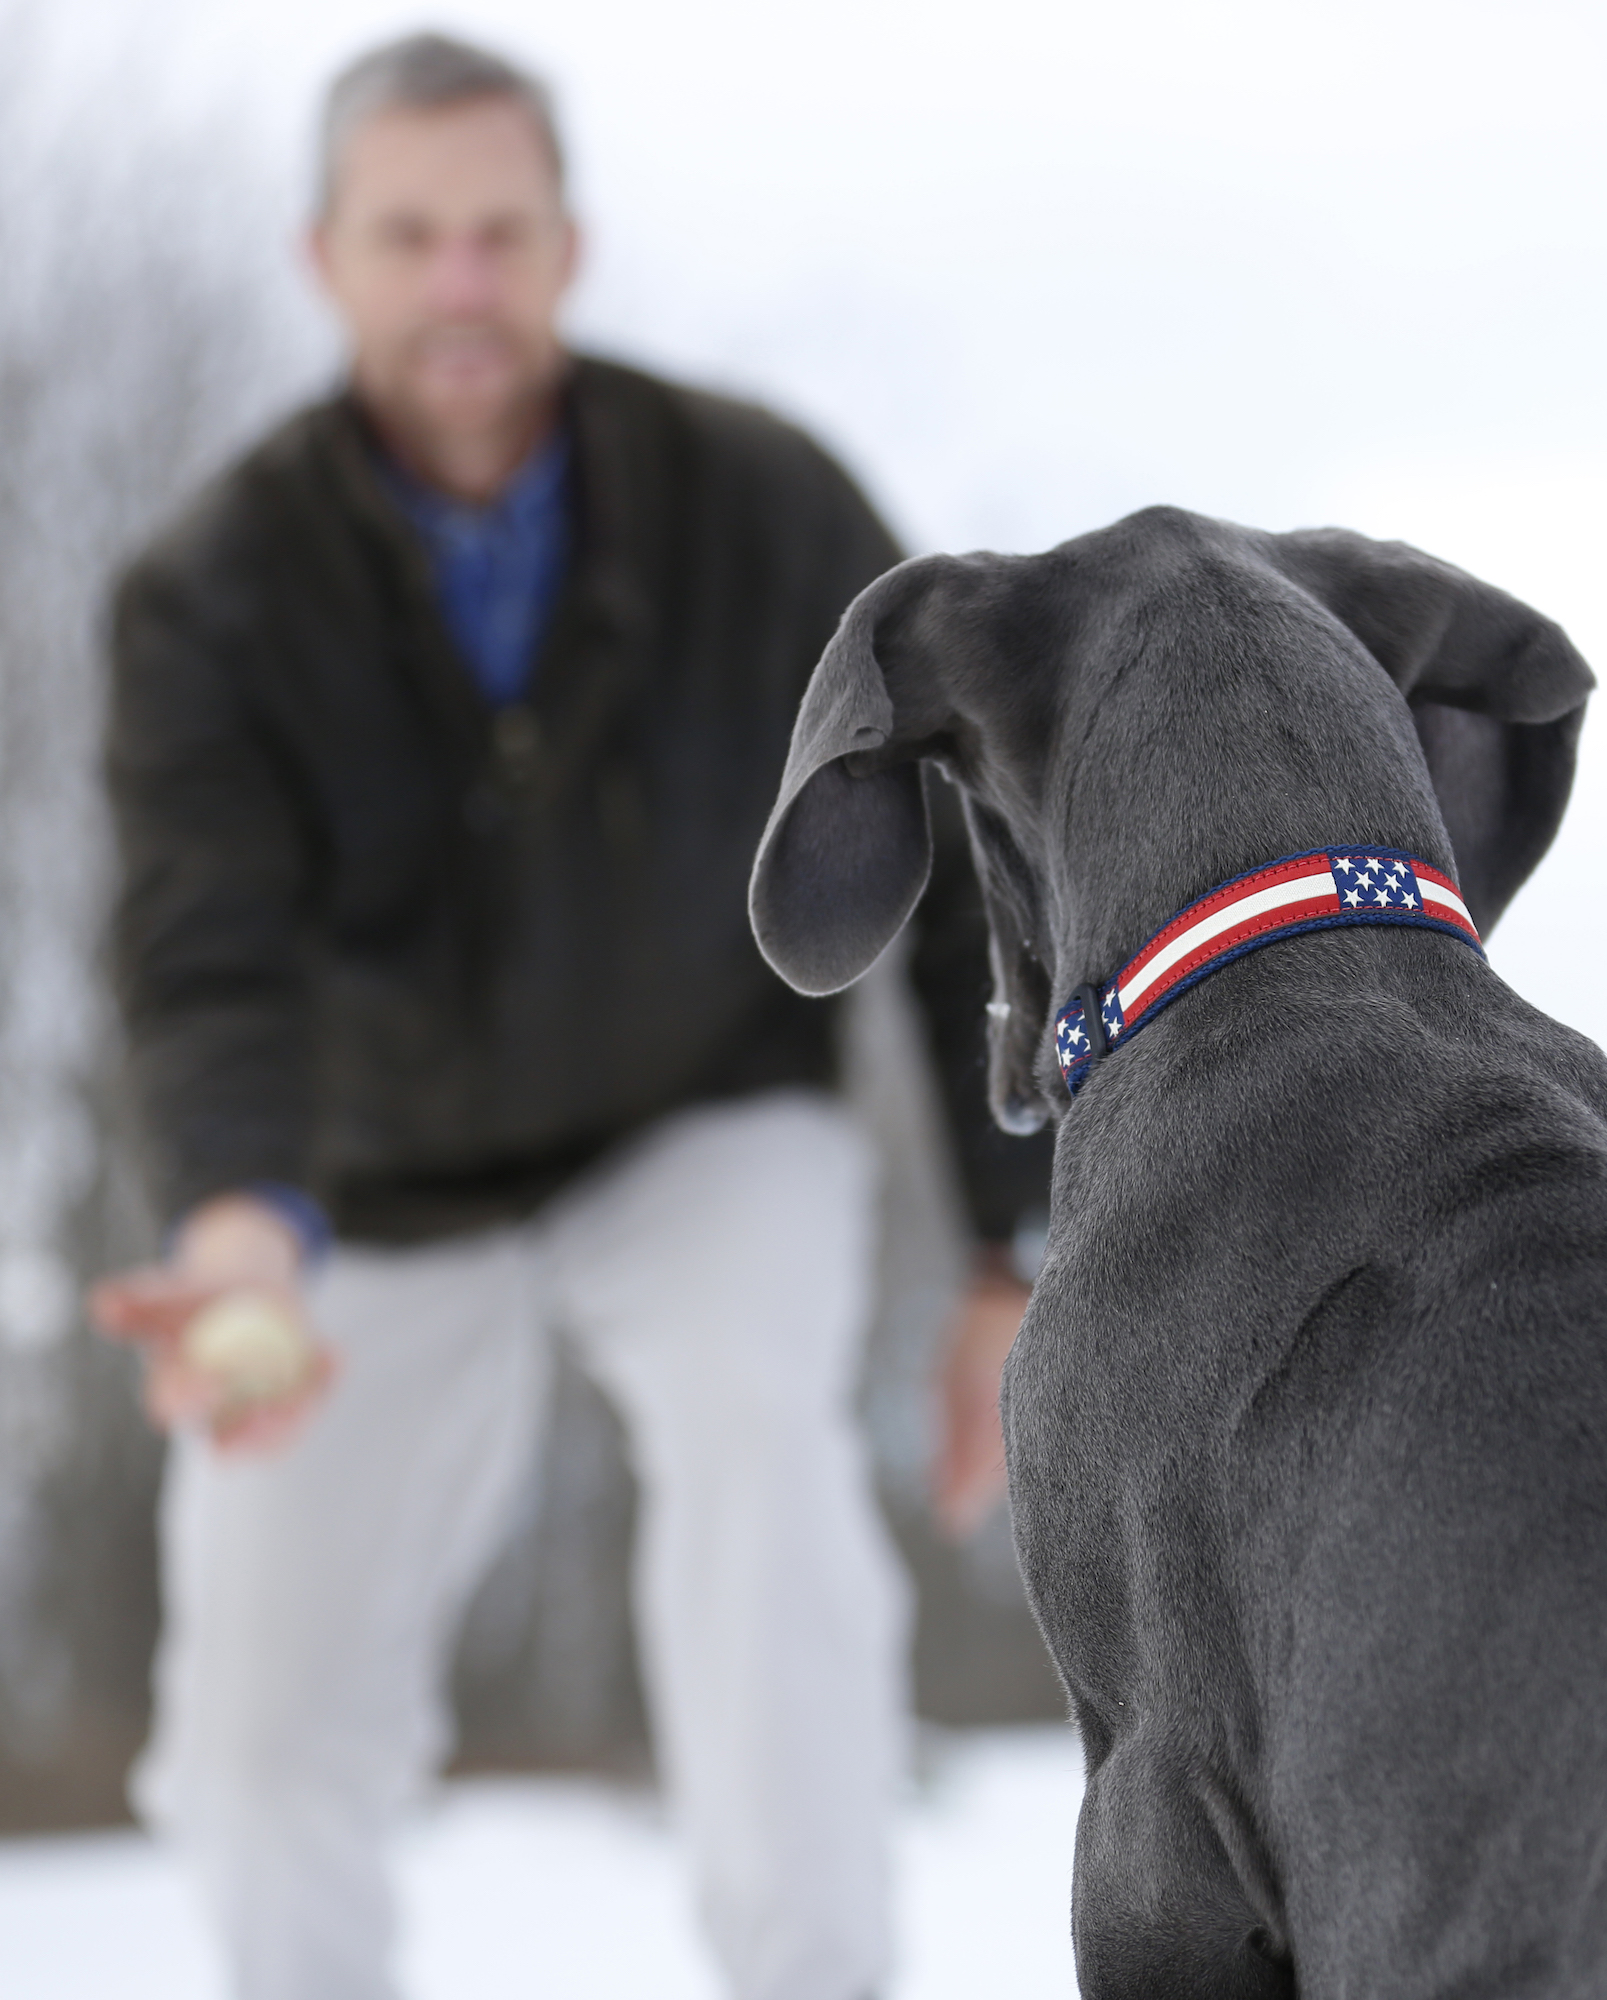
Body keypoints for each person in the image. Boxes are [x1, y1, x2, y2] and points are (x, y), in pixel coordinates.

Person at [89, 32, 1045, 2000]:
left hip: (697, 1110)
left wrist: (1001, 1239)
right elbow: (205, 946)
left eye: (496, 235)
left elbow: (952, 853)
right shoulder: (208, 593)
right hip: (363, 1182)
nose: (458, 282)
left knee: (759, 1456)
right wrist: (239, 1219)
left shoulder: (763, 503)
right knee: (261, 1714)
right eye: (409, 236)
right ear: (326, 257)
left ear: (565, 247)